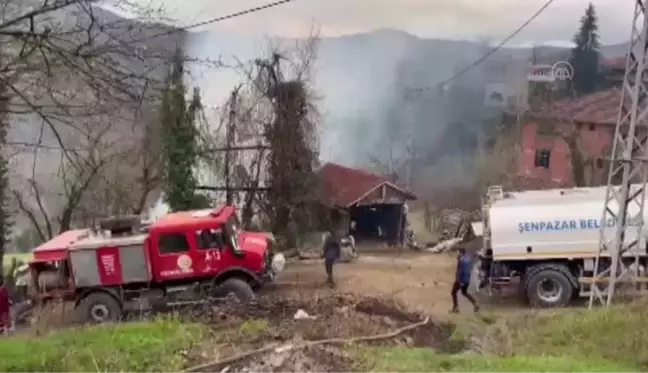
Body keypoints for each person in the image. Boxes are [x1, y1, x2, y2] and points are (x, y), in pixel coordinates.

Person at [451, 248, 479, 313]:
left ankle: (456, 308)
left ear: (461, 253)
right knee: (464, 292)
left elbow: (460, 271)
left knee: (453, 292)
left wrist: (460, 281)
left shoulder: (461, 260)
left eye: (458, 252)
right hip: (466, 280)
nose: (457, 254)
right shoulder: (467, 259)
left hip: (461, 280)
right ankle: (475, 303)